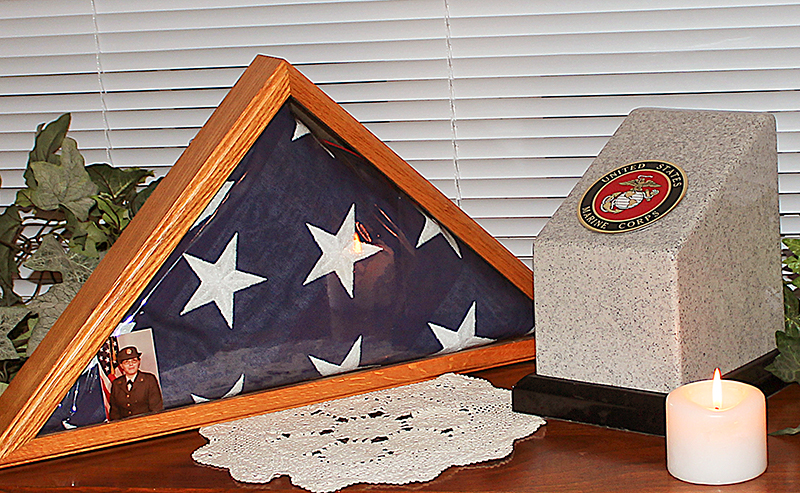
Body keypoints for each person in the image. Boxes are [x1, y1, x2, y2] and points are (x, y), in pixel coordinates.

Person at [109, 345, 163, 421]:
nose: (131, 364)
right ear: (121, 366)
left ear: (139, 362)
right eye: (126, 362)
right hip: (125, 426)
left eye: (134, 361)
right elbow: (114, 412)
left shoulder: (149, 379)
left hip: (147, 423)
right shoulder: (116, 384)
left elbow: (156, 408)